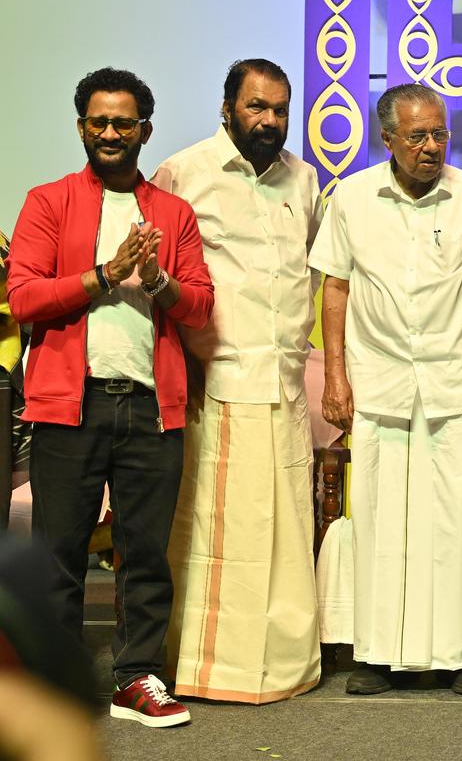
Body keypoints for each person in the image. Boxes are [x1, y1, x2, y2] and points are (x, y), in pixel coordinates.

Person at [7, 67, 213, 727]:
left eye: (123, 122)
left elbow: (201, 305)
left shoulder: (173, 214)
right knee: (60, 550)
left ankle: (136, 677)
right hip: (70, 404)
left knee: (146, 552)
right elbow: (25, 296)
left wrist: (154, 279)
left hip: (153, 407)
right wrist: (105, 275)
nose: (110, 132)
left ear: (144, 130)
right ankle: (59, 680)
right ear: (81, 128)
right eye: (98, 121)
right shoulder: (48, 202)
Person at [310, 83, 462, 697]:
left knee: (458, 520)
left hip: (456, 380)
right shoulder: (353, 197)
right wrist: (336, 375)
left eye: (440, 133)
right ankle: (375, 655)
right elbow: (336, 289)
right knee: (377, 520)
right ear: (387, 139)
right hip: (380, 382)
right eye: (418, 135)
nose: (431, 146)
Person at [152, 58, 324, 704]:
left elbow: (306, 270)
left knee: (284, 529)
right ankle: (209, 664)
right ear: (227, 107)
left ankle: (282, 664)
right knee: (217, 529)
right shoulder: (183, 173)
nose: (270, 121)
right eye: (257, 108)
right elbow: (164, 284)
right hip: (215, 379)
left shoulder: (303, 179)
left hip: (282, 382)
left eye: (280, 109)